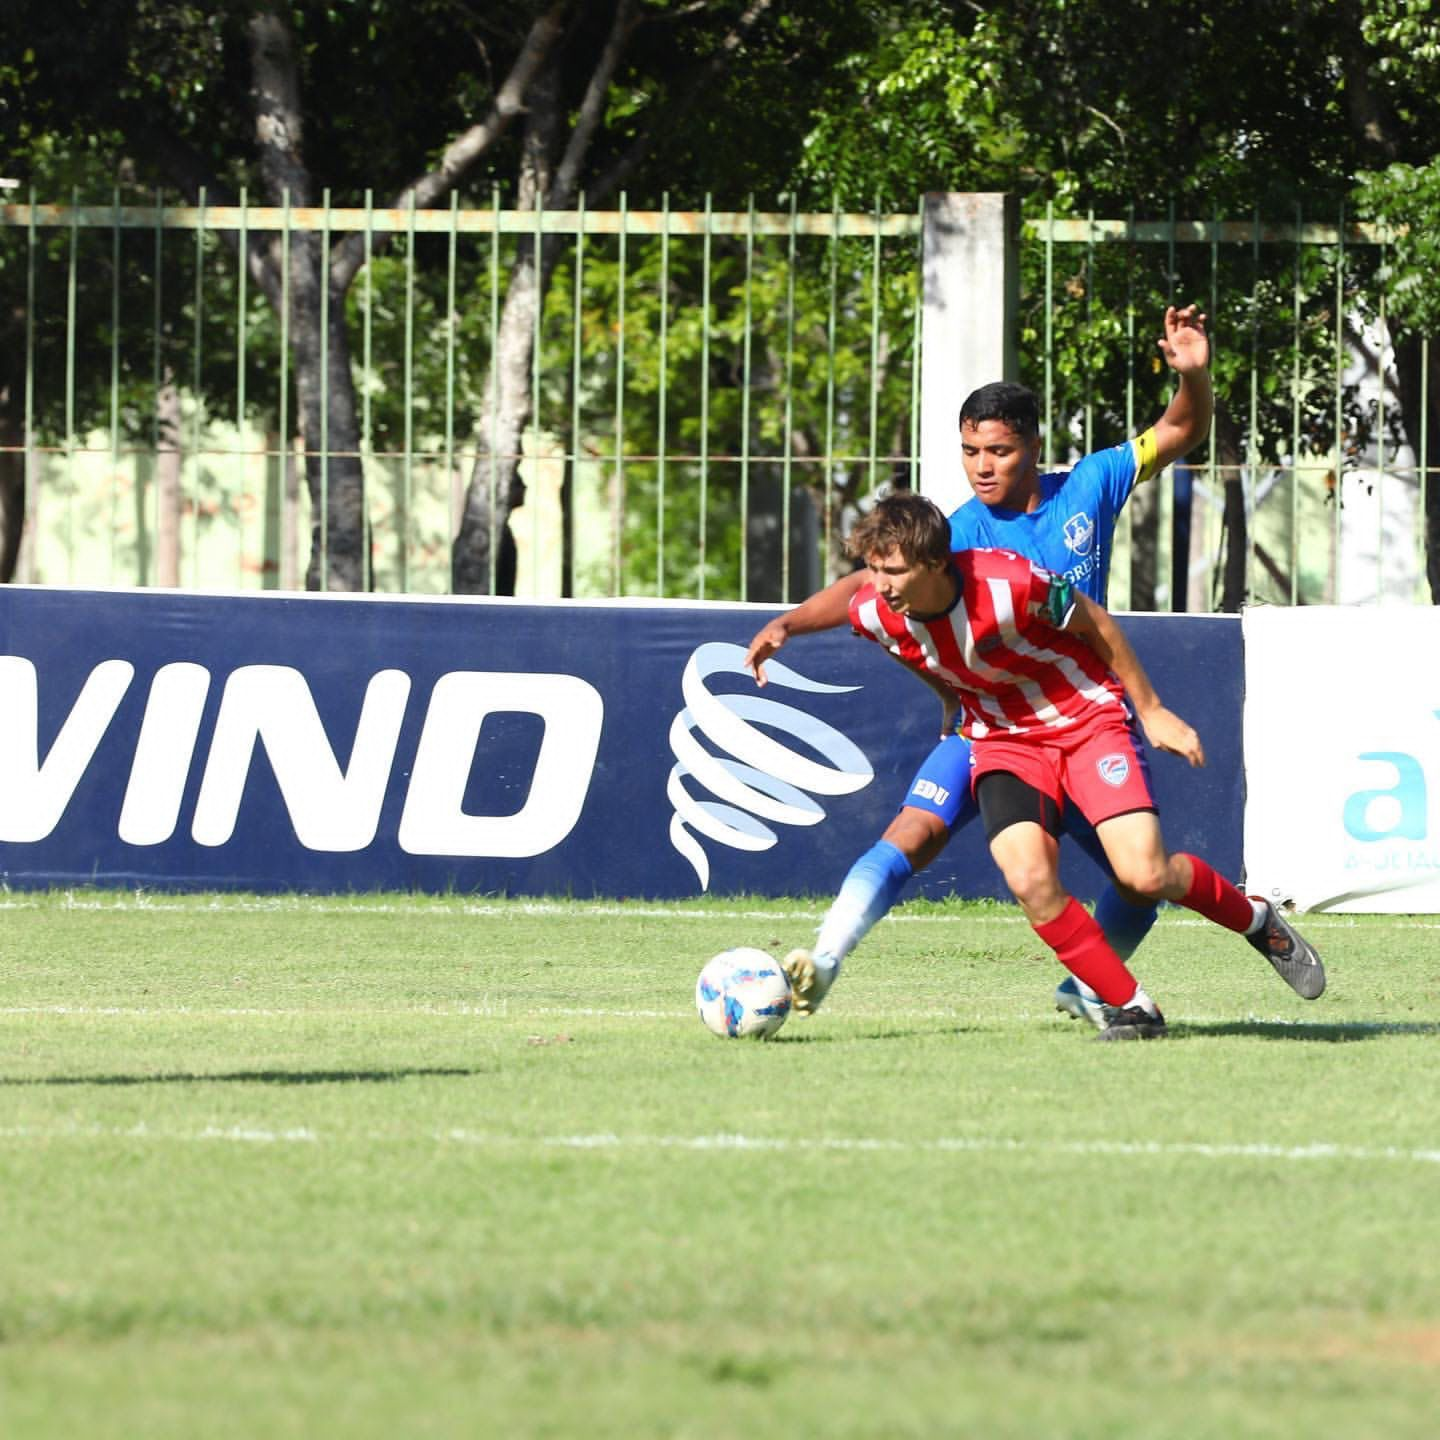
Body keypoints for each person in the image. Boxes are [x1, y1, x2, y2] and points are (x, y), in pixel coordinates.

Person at [745, 305, 1213, 1023]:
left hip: (1083, 718)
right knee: (912, 834)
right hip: (993, 727)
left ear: (1031, 444)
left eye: (996, 450)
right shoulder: (953, 533)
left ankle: (1092, 984)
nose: (981, 466)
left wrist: (1194, 377)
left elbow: (1179, 429)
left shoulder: (1090, 485)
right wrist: (790, 622)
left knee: (1142, 879)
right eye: (969, 451)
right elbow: (864, 584)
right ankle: (825, 959)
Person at [800, 491, 1324, 1040]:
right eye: (874, 569)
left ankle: (1255, 918)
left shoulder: (1009, 582)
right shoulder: (878, 609)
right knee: (1028, 877)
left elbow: (1092, 621)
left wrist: (1150, 710)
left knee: (1144, 875)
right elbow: (891, 635)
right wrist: (945, 692)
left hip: (1086, 722)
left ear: (935, 562)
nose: (880, 585)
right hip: (1004, 741)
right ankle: (1133, 1008)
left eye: (895, 571)